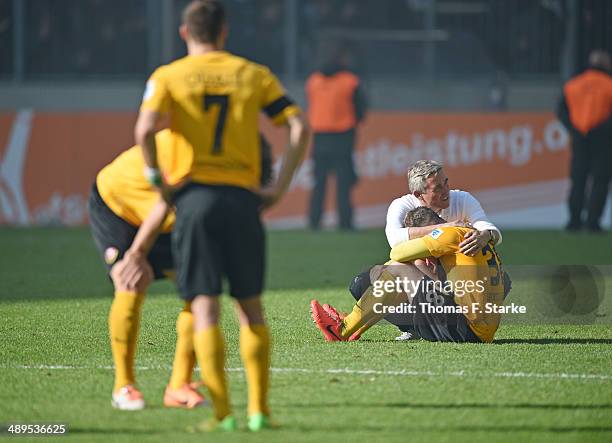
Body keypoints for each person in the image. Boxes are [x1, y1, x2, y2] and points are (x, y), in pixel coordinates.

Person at [133, 0, 309, 432]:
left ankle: (222, 414)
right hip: (242, 200)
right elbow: (299, 126)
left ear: (184, 32)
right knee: (250, 308)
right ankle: (260, 412)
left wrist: (158, 181)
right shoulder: (253, 74)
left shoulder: (168, 76)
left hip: (194, 201)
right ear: (224, 32)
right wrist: (279, 186)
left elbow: (143, 131)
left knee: (205, 306)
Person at [89, 130, 275, 411]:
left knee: (197, 293)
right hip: (118, 206)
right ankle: (124, 385)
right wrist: (137, 254)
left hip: (172, 216)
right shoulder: (194, 154)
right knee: (131, 281)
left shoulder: (230, 160)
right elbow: (165, 201)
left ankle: (178, 386)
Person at [311, 207, 506, 344]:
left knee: (398, 269)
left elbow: (396, 253)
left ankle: (342, 330)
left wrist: (416, 259)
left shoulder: (446, 235)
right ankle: (355, 326)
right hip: (481, 329)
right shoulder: (471, 235)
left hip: (467, 329)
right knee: (399, 270)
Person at [306, 42, 367, 230]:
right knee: (344, 183)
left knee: (319, 183)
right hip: (343, 136)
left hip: (319, 137)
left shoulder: (314, 81)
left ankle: (314, 222)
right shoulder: (350, 81)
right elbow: (361, 109)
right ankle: (345, 223)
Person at [386, 160, 502, 254]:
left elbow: (490, 229)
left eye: (446, 183)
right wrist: (447, 227)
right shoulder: (401, 205)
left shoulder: (463, 199)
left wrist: (485, 236)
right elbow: (394, 239)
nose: (446, 190)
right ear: (418, 194)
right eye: (438, 188)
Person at [557, 50, 612, 233]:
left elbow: (561, 111)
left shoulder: (573, 85)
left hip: (579, 138)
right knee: (600, 180)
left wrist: (574, 128)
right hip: (603, 140)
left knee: (578, 180)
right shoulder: (609, 85)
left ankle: (573, 221)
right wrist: (602, 129)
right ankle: (593, 222)